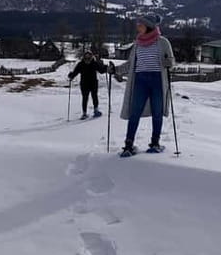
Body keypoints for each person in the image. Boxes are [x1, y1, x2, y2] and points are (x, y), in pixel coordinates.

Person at [109, 14, 175, 155]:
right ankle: (128, 145)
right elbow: (130, 64)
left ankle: (155, 143)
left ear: (149, 26)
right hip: (140, 81)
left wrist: (168, 62)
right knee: (135, 112)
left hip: (157, 80)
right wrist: (116, 70)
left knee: (157, 112)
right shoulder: (137, 44)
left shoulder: (163, 42)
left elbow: (171, 62)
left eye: (140, 24)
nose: (137, 26)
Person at [68, 49, 107, 119]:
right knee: (87, 98)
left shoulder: (91, 63)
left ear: (91, 56)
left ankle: (93, 111)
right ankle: (86, 112)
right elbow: (75, 72)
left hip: (90, 83)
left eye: (89, 56)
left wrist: (106, 68)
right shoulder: (83, 64)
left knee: (92, 97)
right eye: (86, 57)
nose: (88, 58)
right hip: (87, 83)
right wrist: (72, 76)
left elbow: (101, 70)